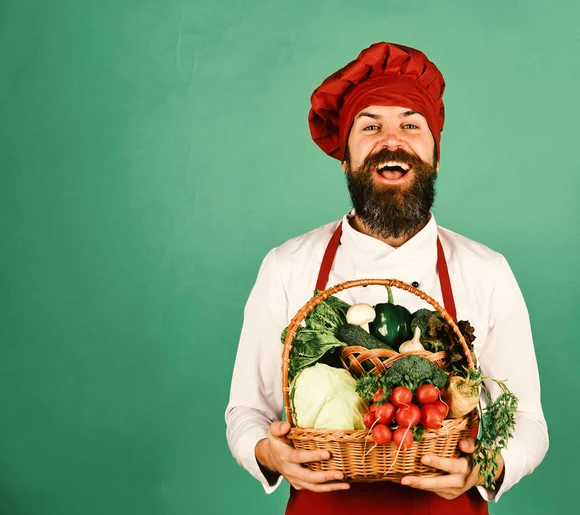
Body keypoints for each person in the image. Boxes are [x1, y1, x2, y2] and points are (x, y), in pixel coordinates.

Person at [225, 42, 548, 514]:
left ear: (435, 155)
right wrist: (266, 451)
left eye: (411, 125)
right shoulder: (287, 265)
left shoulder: (485, 271)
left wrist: (485, 467)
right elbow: (245, 412)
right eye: (370, 125)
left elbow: (529, 423)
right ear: (345, 156)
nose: (391, 141)